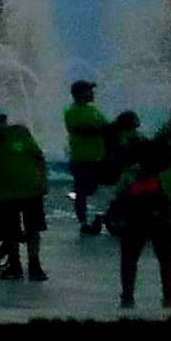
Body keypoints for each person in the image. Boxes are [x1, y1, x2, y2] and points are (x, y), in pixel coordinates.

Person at [107, 111, 171, 310]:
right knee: (166, 260)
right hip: (162, 221)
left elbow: (118, 197)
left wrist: (116, 218)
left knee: (129, 259)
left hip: (134, 221)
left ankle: (127, 297)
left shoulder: (130, 174)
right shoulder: (167, 175)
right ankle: (168, 297)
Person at [0, 114, 51, 283]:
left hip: (32, 191)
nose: (0, 128)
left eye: (2, 123)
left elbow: (39, 158)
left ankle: (34, 264)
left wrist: (43, 181)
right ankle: (15, 264)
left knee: (33, 229)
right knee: (10, 231)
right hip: (7, 194)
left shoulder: (20, 135)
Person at [61, 81, 112, 235]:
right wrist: (104, 130)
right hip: (82, 158)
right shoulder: (72, 111)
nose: (92, 93)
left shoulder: (94, 110)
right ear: (80, 93)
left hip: (99, 157)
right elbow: (83, 129)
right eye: (89, 90)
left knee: (101, 186)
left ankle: (106, 215)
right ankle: (83, 222)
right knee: (82, 191)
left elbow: (106, 127)